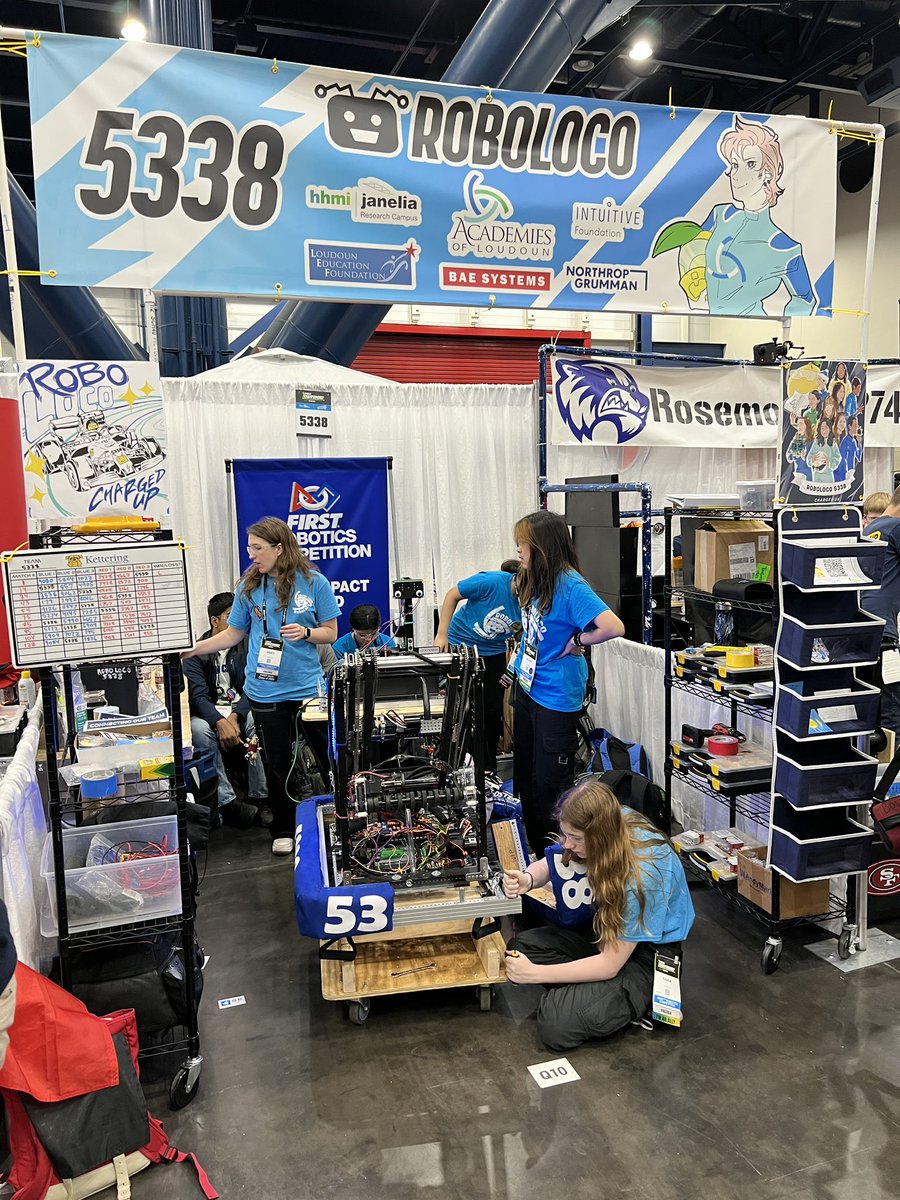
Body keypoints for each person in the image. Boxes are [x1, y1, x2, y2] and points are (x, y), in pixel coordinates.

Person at [182, 518, 339, 855]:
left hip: (307, 690)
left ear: (280, 548)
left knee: (329, 755)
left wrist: (307, 633)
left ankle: (343, 814)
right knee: (276, 763)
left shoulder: (315, 583)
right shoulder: (248, 587)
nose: (251, 554)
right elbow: (233, 633)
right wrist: (194, 648)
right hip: (265, 690)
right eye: (249, 547)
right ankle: (282, 829)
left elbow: (331, 631)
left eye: (258, 548)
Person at [503, 779, 694, 1051]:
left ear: (599, 836)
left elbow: (609, 964)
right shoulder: (612, 819)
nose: (568, 844)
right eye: (566, 834)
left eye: (575, 838)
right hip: (609, 930)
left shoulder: (646, 875)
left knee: (555, 1022)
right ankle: (598, 999)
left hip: (647, 955)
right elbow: (559, 857)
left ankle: (637, 997)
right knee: (521, 949)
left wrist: (534, 974)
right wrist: (527, 878)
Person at [511, 511, 624, 854]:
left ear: (542, 547)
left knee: (549, 787)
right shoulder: (533, 578)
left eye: (523, 544)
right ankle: (536, 854)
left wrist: (578, 641)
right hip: (529, 688)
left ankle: (559, 859)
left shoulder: (570, 585)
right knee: (526, 780)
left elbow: (613, 626)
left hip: (556, 698)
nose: (518, 550)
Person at [183, 592, 267, 830]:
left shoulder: (248, 644)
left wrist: (235, 716)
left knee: (255, 720)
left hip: (239, 709)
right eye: (231, 616)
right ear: (214, 621)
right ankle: (227, 802)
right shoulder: (197, 651)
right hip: (209, 713)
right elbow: (197, 696)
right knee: (199, 731)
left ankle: (260, 798)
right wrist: (220, 721)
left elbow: (253, 686)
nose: (238, 621)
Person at [434, 559, 520, 772]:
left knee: (491, 709)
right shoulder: (490, 582)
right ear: (517, 580)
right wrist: (441, 634)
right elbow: (452, 595)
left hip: (494, 652)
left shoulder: (533, 599)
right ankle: (454, 761)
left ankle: (487, 766)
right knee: (460, 706)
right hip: (461, 644)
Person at [863, 488, 900, 735]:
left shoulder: (870, 530)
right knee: (893, 709)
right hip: (886, 633)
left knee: (873, 706)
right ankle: (892, 771)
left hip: (866, 625)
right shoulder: (896, 528)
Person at [332, 604, 397, 658]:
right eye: (362, 635)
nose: (368, 639)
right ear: (353, 629)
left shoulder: (388, 643)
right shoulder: (339, 649)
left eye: (373, 634)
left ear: (378, 628)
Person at [808, 417, 841, 485]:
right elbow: (809, 458)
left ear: (830, 429)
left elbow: (838, 457)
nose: (824, 431)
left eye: (826, 428)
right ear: (819, 429)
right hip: (817, 475)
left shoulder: (833, 443)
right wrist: (812, 460)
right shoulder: (816, 442)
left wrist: (830, 463)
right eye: (822, 428)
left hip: (828, 476)